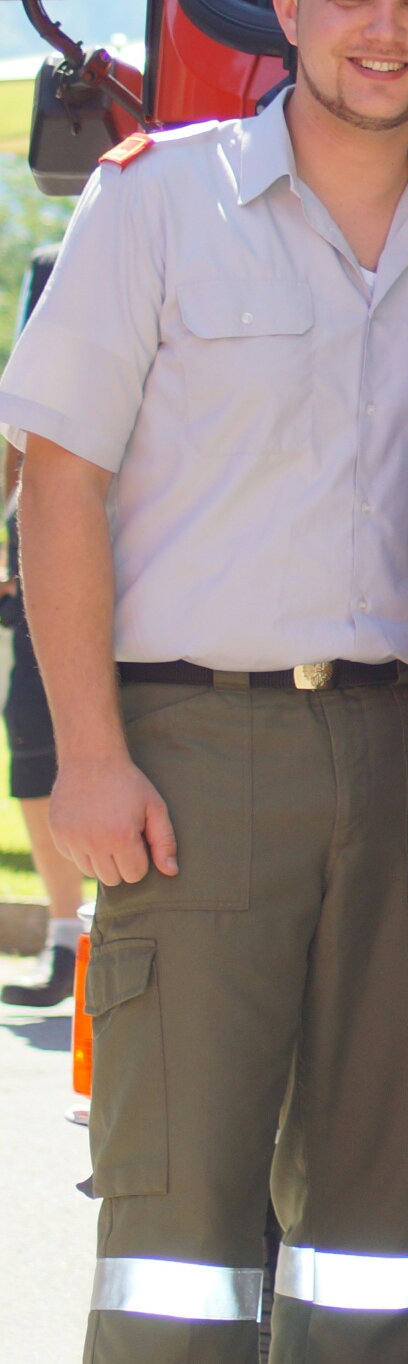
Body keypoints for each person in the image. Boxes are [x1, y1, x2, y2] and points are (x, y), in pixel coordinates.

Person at [0, 0, 408, 1362]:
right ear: (293, 10)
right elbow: (55, 490)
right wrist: (87, 759)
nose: (387, 33)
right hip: (200, 753)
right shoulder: (162, 203)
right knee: (177, 1219)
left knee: (374, 1219)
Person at [2, 241, 80, 1008]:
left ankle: (93, 938)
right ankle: (64, 938)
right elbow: (17, 416)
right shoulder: (54, 263)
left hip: (141, 559)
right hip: (40, 557)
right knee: (31, 732)